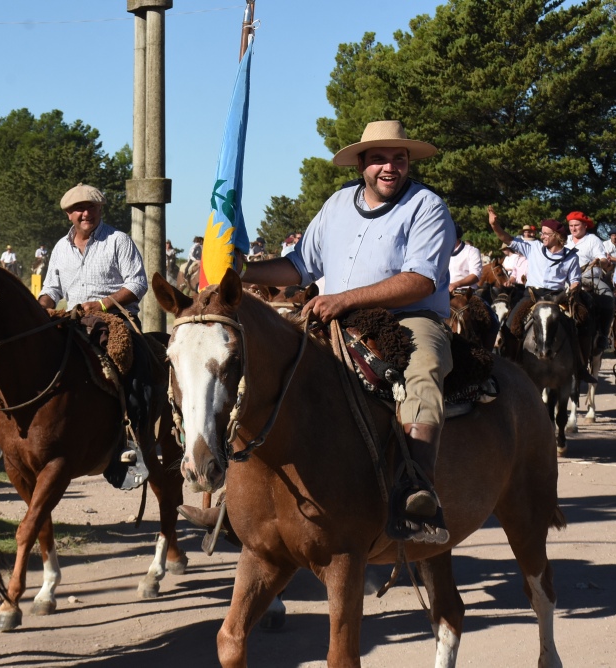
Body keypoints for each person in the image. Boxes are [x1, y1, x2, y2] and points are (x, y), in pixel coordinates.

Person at [230, 120, 456, 544]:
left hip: (408, 318)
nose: (390, 167)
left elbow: (421, 280)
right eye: (379, 159)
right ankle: (242, 496)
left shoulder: (427, 206)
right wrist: (243, 272)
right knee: (267, 370)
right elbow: (299, 267)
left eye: (399, 158)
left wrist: (345, 299)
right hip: (332, 316)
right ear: (361, 165)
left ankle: (417, 489)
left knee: (424, 369)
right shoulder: (336, 204)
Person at [38, 183, 150, 488]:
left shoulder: (118, 240)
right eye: (78, 209)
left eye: (90, 207)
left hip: (113, 321)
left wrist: (101, 304)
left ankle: (132, 437)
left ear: (100, 209)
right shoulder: (61, 248)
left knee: (134, 368)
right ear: (68, 215)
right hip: (73, 321)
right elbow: (51, 289)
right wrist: (39, 308)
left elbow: (138, 284)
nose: (84, 213)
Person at [488, 209, 597, 383]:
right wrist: (495, 225)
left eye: (546, 234)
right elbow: (506, 238)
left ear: (556, 236)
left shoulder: (570, 257)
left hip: (558, 297)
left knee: (583, 320)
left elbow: (575, 280)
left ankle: (581, 367)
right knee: (511, 326)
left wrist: (573, 288)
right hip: (532, 295)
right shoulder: (533, 247)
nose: (542, 236)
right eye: (542, 233)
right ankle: (511, 365)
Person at [565, 210, 613, 354]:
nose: (573, 228)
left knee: (608, 295)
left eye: (576, 225)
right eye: (571, 225)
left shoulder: (593, 239)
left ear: (585, 226)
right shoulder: (564, 240)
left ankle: (603, 335)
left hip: (588, 278)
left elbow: (603, 259)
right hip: (566, 279)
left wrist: (600, 261)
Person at [448, 225, 483, 292]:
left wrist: (455, 284)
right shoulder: (442, 253)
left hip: (466, 294)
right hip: (444, 294)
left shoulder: (472, 251)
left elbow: (475, 275)